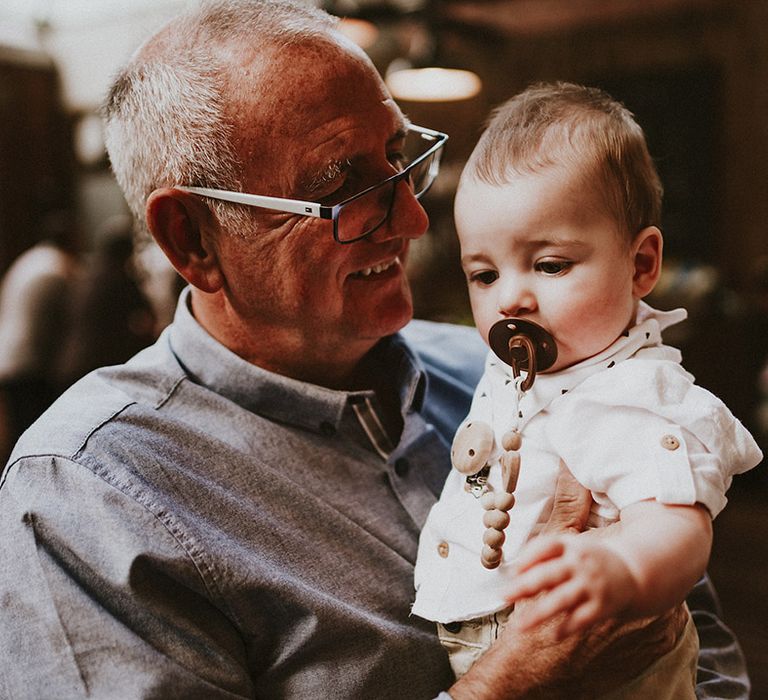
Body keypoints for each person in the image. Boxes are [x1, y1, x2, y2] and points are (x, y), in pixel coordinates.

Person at [0, 3, 751, 698]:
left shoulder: (500, 370)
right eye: (341, 183)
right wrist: (510, 682)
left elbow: (703, 644)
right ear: (193, 240)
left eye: (398, 158)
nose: (415, 220)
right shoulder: (89, 498)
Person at [413, 82, 762, 695]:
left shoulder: (636, 392)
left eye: (550, 265)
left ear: (642, 265)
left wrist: (619, 570)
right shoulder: (518, 371)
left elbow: (679, 530)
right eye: (484, 274)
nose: (511, 297)